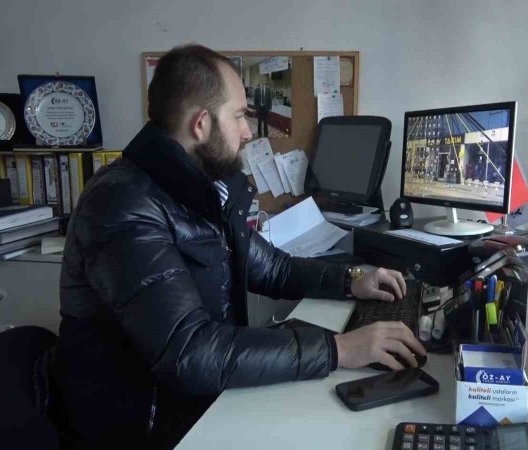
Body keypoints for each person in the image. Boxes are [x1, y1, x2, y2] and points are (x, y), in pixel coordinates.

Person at [55, 43, 425, 450]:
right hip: (143, 424)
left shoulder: (202, 187)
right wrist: (340, 349)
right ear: (201, 124)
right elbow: (190, 353)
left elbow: (272, 268)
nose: (248, 131)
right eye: (238, 116)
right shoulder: (122, 204)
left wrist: (351, 280)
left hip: (199, 399)